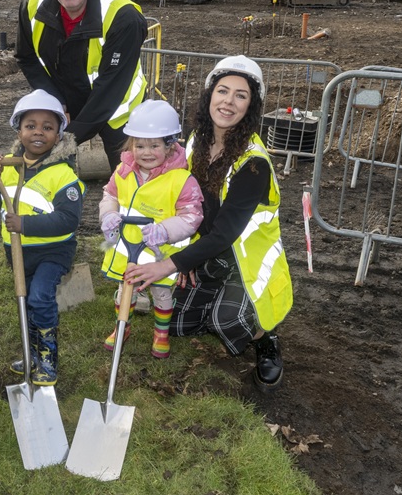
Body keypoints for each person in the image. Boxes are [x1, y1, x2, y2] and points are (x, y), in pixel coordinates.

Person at [124, 56, 293, 393]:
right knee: (176, 324)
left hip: (245, 263)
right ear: (209, 95)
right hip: (208, 252)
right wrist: (186, 255)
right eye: (223, 91)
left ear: (251, 106)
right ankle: (217, 300)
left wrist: (170, 265)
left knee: (224, 320)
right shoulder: (197, 139)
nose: (228, 102)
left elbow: (226, 231)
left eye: (240, 95)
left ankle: (265, 337)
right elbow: (183, 202)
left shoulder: (253, 164)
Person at [16, 0, 148, 172]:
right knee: (53, 183)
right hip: (66, 107)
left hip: (119, 114)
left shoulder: (123, 18)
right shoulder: (32, 4)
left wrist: (66, 139)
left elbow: (108, 92)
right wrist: (57, 106)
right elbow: (26, 58)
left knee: (131, 186)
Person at [0, 89, 84, 385]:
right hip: (19, 251)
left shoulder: (64, 175)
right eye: (30, 126)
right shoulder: (8, 168)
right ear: (18, 129)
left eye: (48, 127)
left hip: (53, 250)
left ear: (59, 134)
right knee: (26, 301)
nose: (38, 132)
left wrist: (24, 224)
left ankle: (48, 357)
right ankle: (32, 352)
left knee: (39, 296)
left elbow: (67, 220)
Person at [99, 100, 204, 358]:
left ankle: (161, 332)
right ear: (131, 145)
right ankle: (122, 327)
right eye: (140, 145)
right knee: (125, 291)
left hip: (160, 254)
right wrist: (109, 214)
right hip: (129, 249)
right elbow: (109, 196)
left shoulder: (182, 179)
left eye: (154, 145)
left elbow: (192, 216)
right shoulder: (123, 171)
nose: (146, 152)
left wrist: (165, 230)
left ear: (169, 146)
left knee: (161, 294)